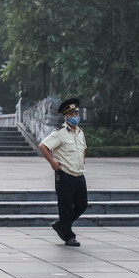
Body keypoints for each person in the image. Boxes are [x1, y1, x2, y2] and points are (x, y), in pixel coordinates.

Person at [38, 97, 88, 247]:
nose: (74, 117)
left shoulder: (80, 132)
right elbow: (43, 146)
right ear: (65, 116)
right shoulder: (59, 133)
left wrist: (82, 161)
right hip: (65, 174)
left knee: (82, 205)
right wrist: (53, 163)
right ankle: (68, 236)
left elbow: (83, 149)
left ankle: (61, 225)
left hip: (79, 174)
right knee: (65, 207)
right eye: (71, 114)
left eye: (76, 114)